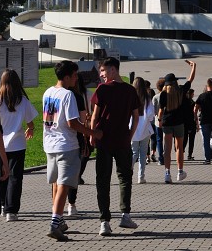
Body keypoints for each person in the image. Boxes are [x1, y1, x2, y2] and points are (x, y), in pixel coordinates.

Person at [43, 60, 102, 241]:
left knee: (56, 183)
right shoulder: (67, 95)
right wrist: (93, 132)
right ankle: (54, 223)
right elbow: (72, 123)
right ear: (67, 76)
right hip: (66, 145)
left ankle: (59, 220)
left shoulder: (48, 92)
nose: (77, 78)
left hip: (50, 143)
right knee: (64, 184)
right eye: (75, 75)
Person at [90, 56, 140, 237]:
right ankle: (125, 215)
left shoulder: (102, 90)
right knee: (125, 178)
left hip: (104, 140)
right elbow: (136, 116)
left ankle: (104, 221)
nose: (101, 75)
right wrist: (130, 135)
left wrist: (92, 135)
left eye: (103, 71)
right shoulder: (130, 90)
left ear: (113, 70)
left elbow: (95, 116)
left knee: (102, 180)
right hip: (122, 141)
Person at [0, 69, 37, 221]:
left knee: (2, 175)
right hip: (18, 144)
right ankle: (11, 211)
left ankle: (2, 205)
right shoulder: (22, 100)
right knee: (15, 177)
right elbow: (30, 122)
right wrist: (31, 128)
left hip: (0, 144)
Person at [158, 60, 196, 183]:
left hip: (167, 122)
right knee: (179, 148)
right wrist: (193, 66)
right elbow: (190, 80)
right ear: (175, 82)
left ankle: (167, 173)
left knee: (167, 149)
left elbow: (160, 111)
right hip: (179, 122)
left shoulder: (163, 94)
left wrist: (159, 120)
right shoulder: (180, 91)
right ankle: (180, 172)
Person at [67, 72, 92, 217]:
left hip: (58, 140)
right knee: (75, 171)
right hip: (79, 134)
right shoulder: (84, 95)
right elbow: (85, 117)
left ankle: (56, 208)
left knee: (58, 179)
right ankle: (71, 204)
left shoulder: (61, 94)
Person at [131, 77, 155, 184]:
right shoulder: (147, 98)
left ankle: (128, 171)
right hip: (145, 129)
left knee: (134, 152)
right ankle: (141, 176)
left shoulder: (130, 97)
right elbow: (150, 114)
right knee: (143, 153)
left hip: (133, 129)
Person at [152, 78, 165, 165]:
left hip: (158, 121)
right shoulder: (169, 96)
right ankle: (166, 156)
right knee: (167, 140)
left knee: (159, 140)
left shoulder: (155, 97)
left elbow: (153, 110)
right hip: (167, 120)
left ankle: (161, 158)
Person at [183, 89, 198, 160]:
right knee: (191, 140)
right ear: (191, 94)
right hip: (191, 123)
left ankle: (181, 153)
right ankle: (189, 155)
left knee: (184, 139)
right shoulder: (193, 103)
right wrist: (197, 123)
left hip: (184, 123)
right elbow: (195, 113)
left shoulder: (183, 102)